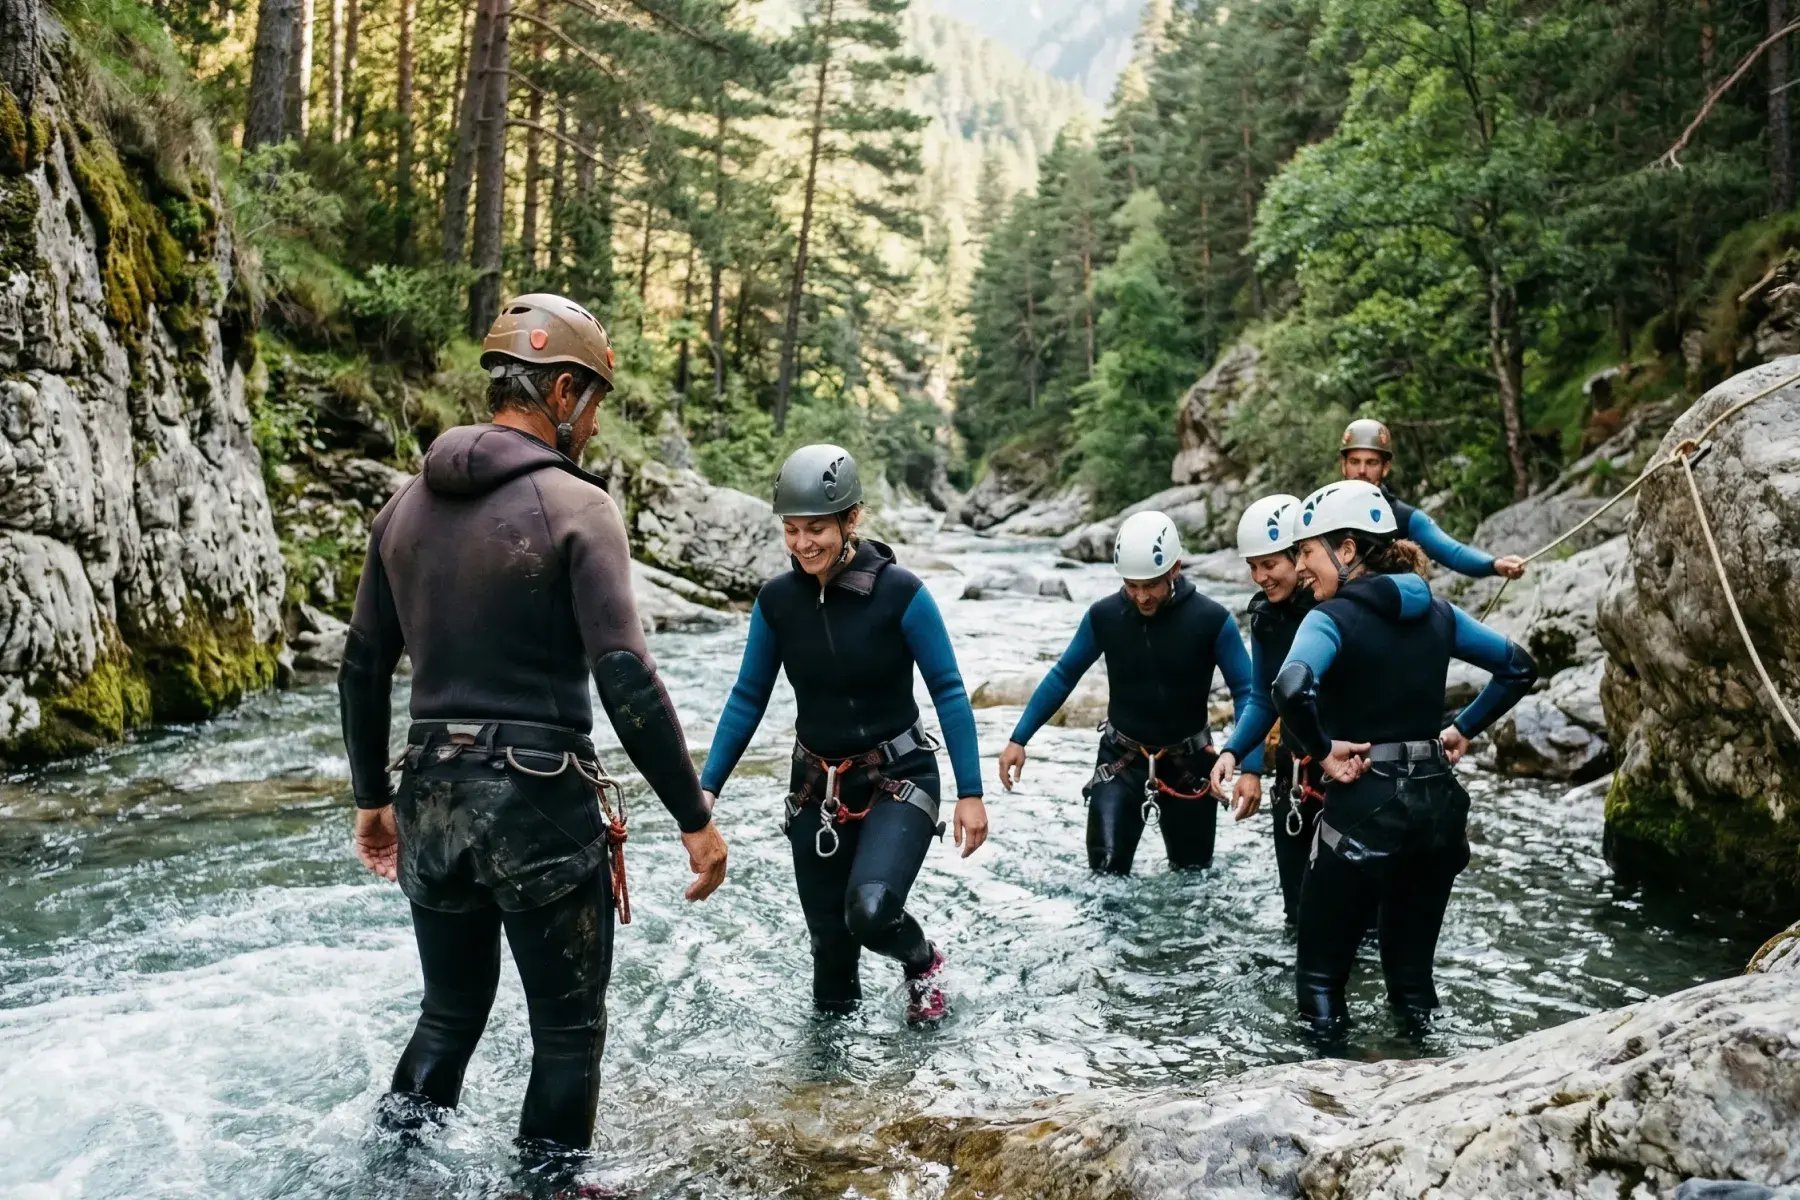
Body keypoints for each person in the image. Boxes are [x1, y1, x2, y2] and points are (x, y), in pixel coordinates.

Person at [338, 293, 730, 1165]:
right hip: (541, 802)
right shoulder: (576, 506)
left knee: (446, 1016)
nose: (592, 426)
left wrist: (373, 800)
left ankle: (390, 1180)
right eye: (591, 402)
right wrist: (693, 816)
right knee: (565, 1037)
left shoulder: (401, 509)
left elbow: (364, 669)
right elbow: (624, 676)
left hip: (430, 795)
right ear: (559, 390)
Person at [700, 444, 988, 1023]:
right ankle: (832, 1097)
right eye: (791, 529)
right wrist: (705, 791)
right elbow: (747, 698)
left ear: (850, 519)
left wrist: (971, 793)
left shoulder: (901, 593)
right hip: (817, 787)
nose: (803, 544)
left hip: (899, 777)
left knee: (872, 911)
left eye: (816, 529)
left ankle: (923, 962)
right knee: (830, 952)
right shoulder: (777, 602)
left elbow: (950, 691)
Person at [1270, 479, 1536, 1037]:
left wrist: (1322, 753)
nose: (1299, 569)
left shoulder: (1330, 619)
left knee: (1320, 983)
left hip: (1365, 810)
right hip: (1438, 814)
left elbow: (1291, 688)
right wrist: (1462, 729)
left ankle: (1328, 1109)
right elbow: (1518, 667)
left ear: (1346, 550)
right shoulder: (1437, 610)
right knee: (1413, 986)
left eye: (1307, 552)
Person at [997, 511, 1255, 875]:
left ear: (1175, 569)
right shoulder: (1105, 616)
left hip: (1189, 764)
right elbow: (1063, 675)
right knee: (1105, 878)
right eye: (1132, 585)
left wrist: (1244, 758)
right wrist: (1018, 738)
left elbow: (1248, 691)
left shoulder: (1211, 620)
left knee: (1193, 876)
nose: (1141, 596)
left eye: (1150, 585)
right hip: (1121, 762)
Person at [1205, 493, 1324, 923]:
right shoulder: (1266, 618)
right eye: (1253, 566)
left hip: (1348, 781)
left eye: (1269, 565)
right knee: (1297, 915)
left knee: (1358, 926)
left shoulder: (1338, 608)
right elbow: (1261, 697)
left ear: (1300, 556)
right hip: (1295, 781)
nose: (1260, 577)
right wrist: (1234, 753)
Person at [1338, 418, 1527, 580]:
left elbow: (1453, 552)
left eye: (1371, 462)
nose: (1362, 470)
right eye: (1355, 462)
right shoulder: (1323, 514)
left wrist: (1495, 564)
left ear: (1385, 467)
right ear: (1344, 466)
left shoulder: (1404, 517)